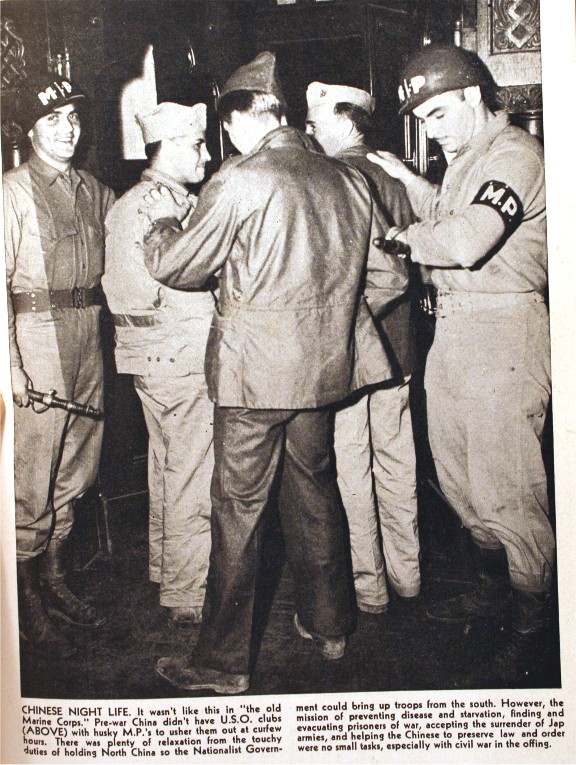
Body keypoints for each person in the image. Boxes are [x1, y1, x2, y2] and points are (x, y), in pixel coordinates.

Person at [139, 51, 408, 694]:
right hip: (321, 378)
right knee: (315, 495)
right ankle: (330, 625)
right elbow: (392, 275)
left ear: (237, 120)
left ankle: (220, 662)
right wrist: (328, 321)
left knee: (238, 513)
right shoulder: (347, 179)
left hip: (252, 380)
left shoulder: (241, 177)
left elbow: (179, 265)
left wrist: (161, 229)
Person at [368, 45, 554, 679]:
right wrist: (405, 178)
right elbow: (451, 212)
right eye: (424, 120)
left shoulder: (515, 154)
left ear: (474, 96)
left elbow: (470, 238)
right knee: (458, 477)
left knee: (507, 485)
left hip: (504, 329)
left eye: (440, 114)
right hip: (456, 329)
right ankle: (496, 593)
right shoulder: (469, 159)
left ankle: (533, 626)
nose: (433, 130)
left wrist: (399, 240)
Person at [4, 74, 115, 656]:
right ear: (29, 131)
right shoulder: (11, 192)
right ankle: (26, 603)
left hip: (87, 335)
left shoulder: (94, 190)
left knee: (77, 467)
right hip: (36, 335)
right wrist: (12, 367)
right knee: (32, 474)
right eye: (53, 120)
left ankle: (54, 580)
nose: (67, 129)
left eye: (73, 118)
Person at [306, 82, 420, 613]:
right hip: (400, 344)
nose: (310, 131)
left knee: (352, 464)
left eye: (316, 122)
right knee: (397, 460)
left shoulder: (335, 176)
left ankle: (369, 587)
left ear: (345, 119)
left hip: (353, 347)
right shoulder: (395, 170)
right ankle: (408, 575)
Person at [102, 102, 215, 627]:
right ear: (167, 146)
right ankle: (189, 594)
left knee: (167, 466)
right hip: (181, 355)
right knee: (192, 473)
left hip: (148, 358)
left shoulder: (129, 203)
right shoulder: (163, 209)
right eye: (196, 145)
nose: (205, 156)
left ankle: (165, 571)